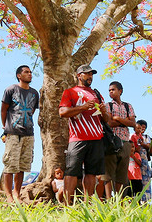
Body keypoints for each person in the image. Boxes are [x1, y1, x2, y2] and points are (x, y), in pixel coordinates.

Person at [59, 64, 109, 204]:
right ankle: (67, 204)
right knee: (71, 171)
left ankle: (88, 204)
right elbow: (62, 112)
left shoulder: (97, 94)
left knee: (92, 173)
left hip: (97, 138)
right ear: (79, 75)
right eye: (87, 74)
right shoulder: (70, 92)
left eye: (91, 74)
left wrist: (104, 112)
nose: (90, 76)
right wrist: (82, 107)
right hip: (77, 138)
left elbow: (107, 120)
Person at [1, 65, 39, 202]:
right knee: (10, 164)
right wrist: (5, 127)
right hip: (12, 132)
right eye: (26, 72)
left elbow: (32, 110)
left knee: (23, 165)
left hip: (28, 133)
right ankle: (8, 195)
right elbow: (3, 109)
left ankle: (17, 193)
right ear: (19, 75)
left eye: (30, 72)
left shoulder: (35, 93)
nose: (29, 74)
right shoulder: (11, 89)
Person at [102, 81, 136, 198]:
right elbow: (109, 123)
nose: (110, 92)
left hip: (125, 142)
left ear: (120, 91)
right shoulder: (107, 106)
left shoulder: (128, 106)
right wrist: (124, 120)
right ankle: (108, 199)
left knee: (122, 173)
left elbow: (133, 123)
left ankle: (119, 201)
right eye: (109, 90)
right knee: (108, 173)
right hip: (111, 141)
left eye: (113, 90)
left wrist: (117, 118)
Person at [131, 119, 152, 202]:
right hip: (136, 160)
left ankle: (146, 200)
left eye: (143, 128)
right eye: (140, 128)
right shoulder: (132, 136)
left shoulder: (146, 137)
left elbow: (148, 147)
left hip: (144, 160)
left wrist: (142, 144)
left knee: (146, 179)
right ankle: (137, 199)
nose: (141, 130)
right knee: (137, 180)